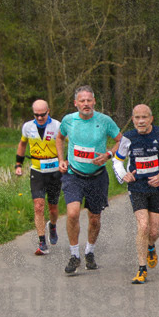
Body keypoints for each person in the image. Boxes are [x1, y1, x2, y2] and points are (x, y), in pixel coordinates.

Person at [55, 86, 122, 274]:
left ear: (94, 102)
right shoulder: (68, 120)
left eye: (89, 100)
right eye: (82, 101)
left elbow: (121, 141)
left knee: (94, 218)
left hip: (97, 177)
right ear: (76, 103)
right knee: (73, 213)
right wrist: (61, 160)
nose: (86, 104)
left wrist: (108, 155)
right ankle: (74, 255)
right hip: (73, 175)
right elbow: (59, 138)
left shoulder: (104, 121)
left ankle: (89, 252)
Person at [113, 104, 159, 284]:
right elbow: (117, 160)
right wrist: (122, 174)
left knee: (154, 231)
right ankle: (141, 269)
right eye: (137, 118)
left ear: (151, 118)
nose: (141, 121)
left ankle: (151, 246)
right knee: (143, 226)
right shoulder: (128, 137)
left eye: (144, 117)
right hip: (137, 187)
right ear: (133, 119)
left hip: (157, 187)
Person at [14, 100, 62, 255]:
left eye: (43, 114)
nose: (40, 118)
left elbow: (71, 142)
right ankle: (42, 242)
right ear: (33, 113)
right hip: (37, 171)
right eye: (37, 115)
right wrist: (18, 164)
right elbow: (22, 145)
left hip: (55, 172)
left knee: (53, 208)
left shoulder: (57, 126)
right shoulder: (28, 127)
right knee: (38, 206)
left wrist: (66, 160)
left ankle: (52, 226)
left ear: (49, 111)